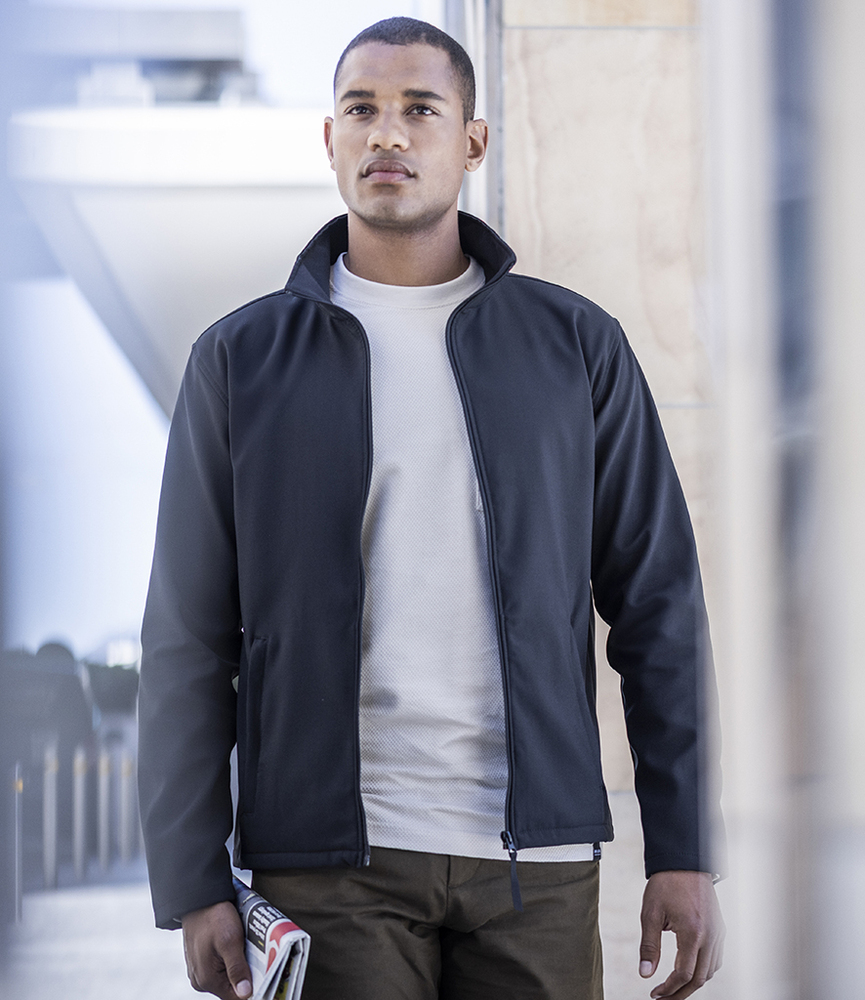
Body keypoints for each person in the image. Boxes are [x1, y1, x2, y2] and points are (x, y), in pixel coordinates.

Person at [138, 17, 724, 1000]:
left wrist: (685, 846)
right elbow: (186, 639)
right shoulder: (238, 363)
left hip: (535, 865)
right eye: (361, 109)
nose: (387, 133)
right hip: (325, 865)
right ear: (330, 140)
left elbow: (658, 602)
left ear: (473, 141)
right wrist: (191, 880)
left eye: (419, 109)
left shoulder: (575, 347)